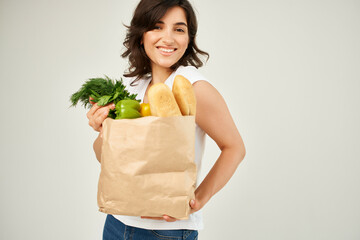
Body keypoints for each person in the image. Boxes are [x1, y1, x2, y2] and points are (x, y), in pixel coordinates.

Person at [87, 0, 246, 239]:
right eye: (157, 27)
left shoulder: (193, 86)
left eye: (179, 29)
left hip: (166, 232)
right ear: (141, 35)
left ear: (189, 39)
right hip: (117, 221)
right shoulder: (135, 86)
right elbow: (109, 160)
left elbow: (234, 148)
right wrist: (102, 129)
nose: (168, 38)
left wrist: (198, 199)